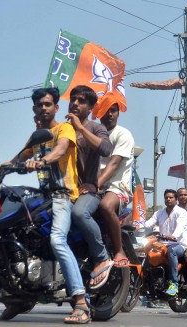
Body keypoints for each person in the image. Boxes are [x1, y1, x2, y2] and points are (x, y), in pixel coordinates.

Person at [0, 87, 91, 323]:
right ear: (34, 109)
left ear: (56, 108)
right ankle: (19, 297)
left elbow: (60, 151)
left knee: (57, 240)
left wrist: (41, 161)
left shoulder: (64, 128)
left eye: (48, 104)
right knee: (11, 232)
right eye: (39, 105)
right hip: (43, 196)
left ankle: (81, 302)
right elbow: (18, 157)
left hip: (63, 195)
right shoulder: (36, 136)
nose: (43, 108)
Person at [67, 85, 114, 290]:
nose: (75, 103)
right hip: (66, 191)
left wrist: (81, 128)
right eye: (73, 99)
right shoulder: (63, 128)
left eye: (81, 100)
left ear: (92, 107)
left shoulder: (95, 127)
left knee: (79, 213)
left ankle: (101, 257)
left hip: (90, 191)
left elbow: (105, 149)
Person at [96, 101, 135, 267]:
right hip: (94, 187)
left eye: (113, 111)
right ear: (99, 113)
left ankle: (119, 250)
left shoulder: (123, 134)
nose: (110, 114)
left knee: (105, 206)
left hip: (118, 187)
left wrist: (96, 184)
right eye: (106, 110)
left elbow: (113, 165)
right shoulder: (93, 134)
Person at [144, 189, 187, 296]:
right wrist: (138, 228)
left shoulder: (181, 212)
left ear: (176, 199)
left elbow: (180, 227)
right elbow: (148, 224)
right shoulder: (159, 213)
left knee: (171, 251)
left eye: (171, 197)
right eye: (166, 197)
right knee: (148, 252)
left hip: (178, 245)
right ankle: (148, 284)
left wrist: (173, 236)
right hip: (162, 244)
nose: (168, 199)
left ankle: (174, 284)